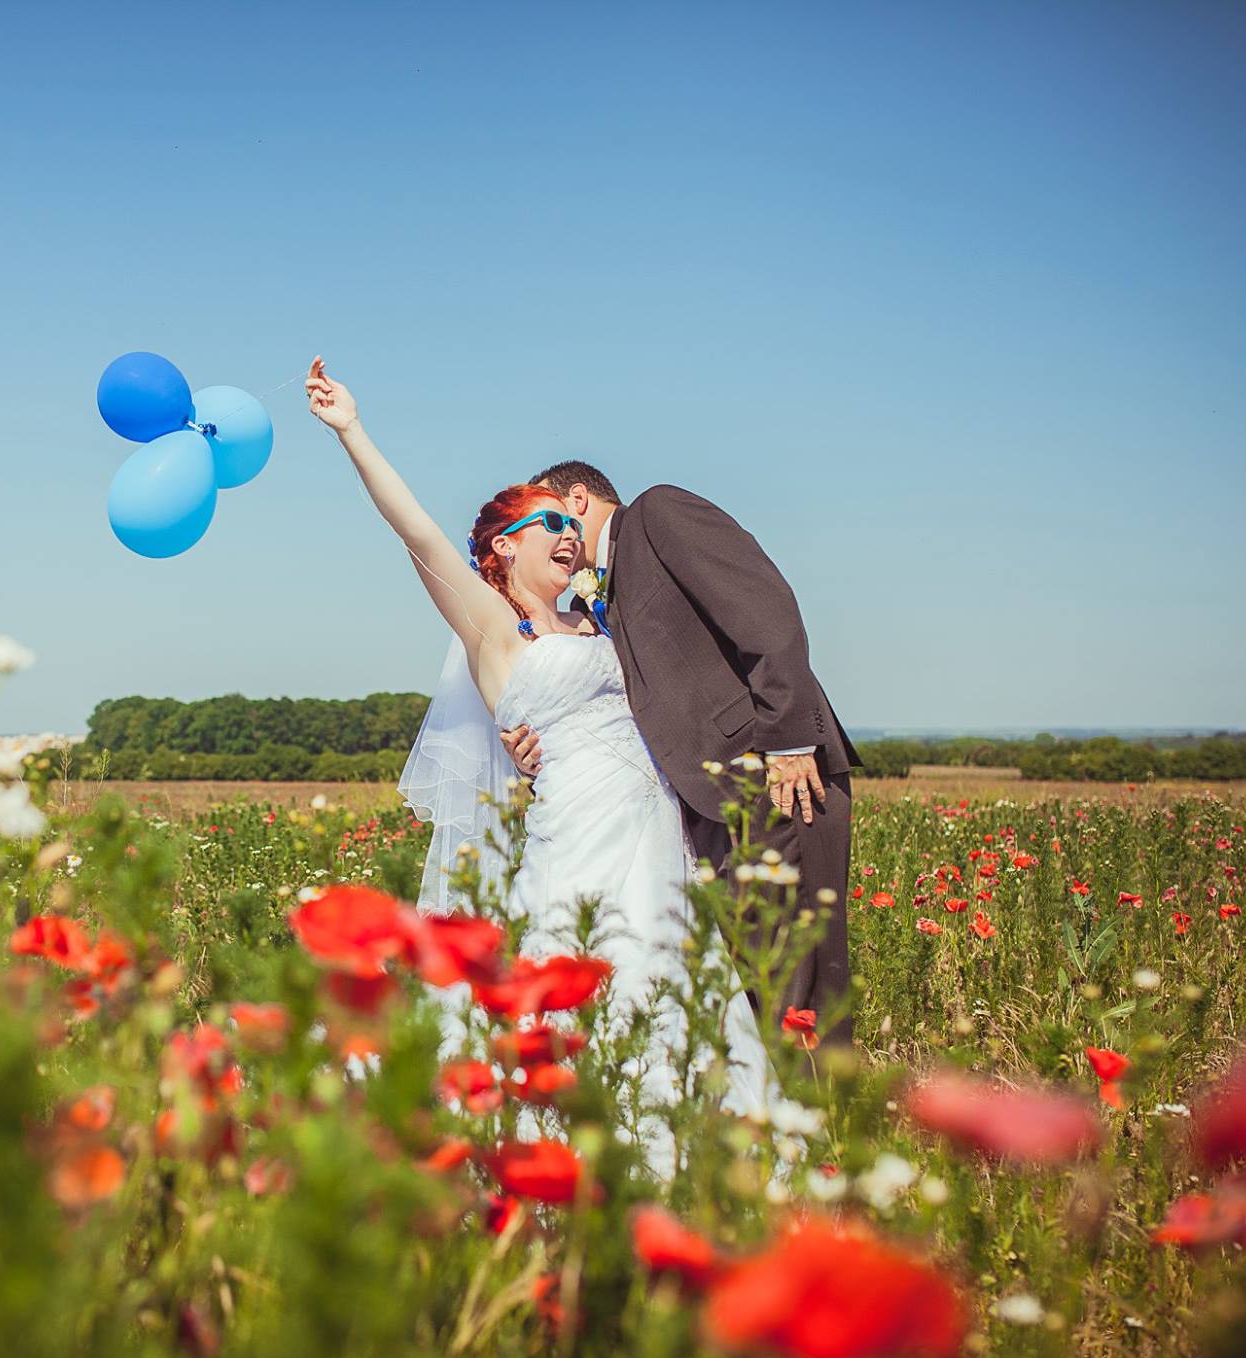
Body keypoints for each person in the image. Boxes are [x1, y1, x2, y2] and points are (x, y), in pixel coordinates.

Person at [305, 358, 773, 1165]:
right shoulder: (491, 628)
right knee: (579, 978)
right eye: (547, 523)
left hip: (660, 837)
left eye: (570, 523)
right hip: (576, 841)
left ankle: (705, 1159)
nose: (567, 534)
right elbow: (416, 530)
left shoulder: (602, 621)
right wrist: (352, 430)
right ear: (503, 545)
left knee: (677, 983)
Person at [504, 461, 860, 1048]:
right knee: (756, 986)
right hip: (708, 807)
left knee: (799, 984)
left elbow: (764, 606)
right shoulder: (601, 596)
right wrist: (538, 742)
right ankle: (777, 1105)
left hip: (774, 778)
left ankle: (823, 1105)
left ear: (578, 498)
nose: (554, 539)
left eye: (552, 518)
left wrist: (791, 741)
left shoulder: (657, 514)